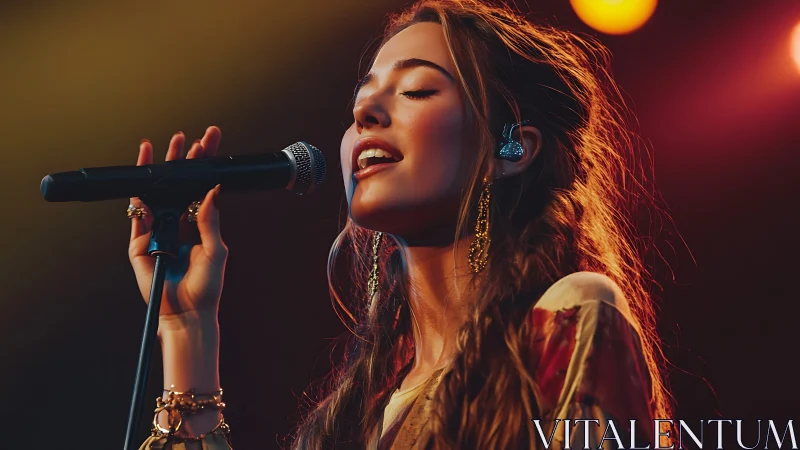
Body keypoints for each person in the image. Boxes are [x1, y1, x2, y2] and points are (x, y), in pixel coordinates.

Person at [129, 0, 673, 448]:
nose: (365, 114)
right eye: (360, 101)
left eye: (416, 90)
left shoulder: (568, 320)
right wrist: (187, 328)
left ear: (510, 149)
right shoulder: (356, 421)